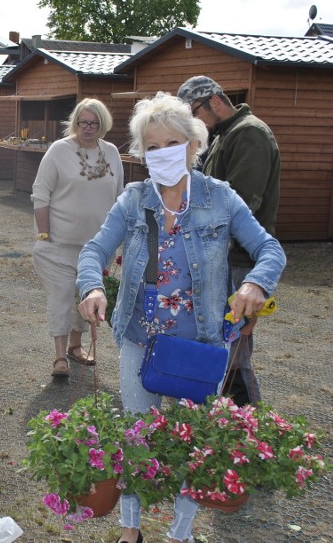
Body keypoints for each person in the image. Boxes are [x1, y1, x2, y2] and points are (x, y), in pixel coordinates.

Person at [76, 92, 286, 543]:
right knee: (137, 436)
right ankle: (130, 531)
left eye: (173, 142)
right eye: (152, 147)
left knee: (193, 442)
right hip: (139, 339)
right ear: (142, 153)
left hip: (201, 346)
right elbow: (94, 250)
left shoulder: (221, 198)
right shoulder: (133, 200)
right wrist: (92, 286)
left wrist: (255, 284)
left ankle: (179, 533)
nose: (163, 153)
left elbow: (270, 249)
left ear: (194, 145)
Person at [178, 75, 281, 406]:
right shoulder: (223, 136)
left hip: (240, 262)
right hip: (222, 257)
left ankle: (254, 429)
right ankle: (219, 426)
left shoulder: (249, 134)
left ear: (214, 102)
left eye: (193, 113)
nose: (192, 123)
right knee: (217, 346)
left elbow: (241, 207)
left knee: (234, 350)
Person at [31, 98, 124, 378]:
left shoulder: (111, 153)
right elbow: (40, 192)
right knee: (61, 296)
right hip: (58, 244)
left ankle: (76, 345)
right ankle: (60, 356)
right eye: (83, 122)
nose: (88, 128)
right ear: (75, 122)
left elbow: (119, 196)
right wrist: (44, 233)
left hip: (96, 247)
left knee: (85, 295)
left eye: (94, 123)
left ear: (102, 124)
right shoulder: (59, 150)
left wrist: (119, 235)